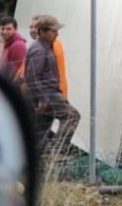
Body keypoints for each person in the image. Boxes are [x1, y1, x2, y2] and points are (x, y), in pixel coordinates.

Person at [23, 15, 80, 154]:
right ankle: (56, 152)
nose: (57, 33)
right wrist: (42, 98)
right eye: (54, 31)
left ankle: (32, 163)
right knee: (72, 116)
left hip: (47, 94)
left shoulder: (46, 47)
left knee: (39, 133)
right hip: (48, 94)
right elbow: (32, 77)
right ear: (42, 31)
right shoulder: (39, 49)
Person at [0, 17, 28, 83]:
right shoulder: (8, 42)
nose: (4, 32)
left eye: (9, 29)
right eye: (2, 29)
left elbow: (19, 70)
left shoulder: (18, 45)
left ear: (16, 29)